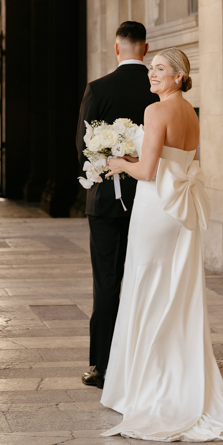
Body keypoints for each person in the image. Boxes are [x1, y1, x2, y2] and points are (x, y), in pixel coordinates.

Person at [101, 48, 223, 442]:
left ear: (178, 76)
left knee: (146, 288)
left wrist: (120, 164)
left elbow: (149, 170)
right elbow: (176, 160)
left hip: (157, 207)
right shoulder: (189, 111)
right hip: (180, 213)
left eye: (159, 69)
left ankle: (144, 386)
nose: (152, 75)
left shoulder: (155, 112)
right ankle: (173, 379)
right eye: (151, 69)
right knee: (174, 292)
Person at [75, 21, 159, 390]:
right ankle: (148, 362)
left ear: (117, 48)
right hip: (153, 199)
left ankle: (103, 367)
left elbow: (83, 149)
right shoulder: (160, 90)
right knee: (150, 280)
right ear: (145, 48)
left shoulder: (98, 89)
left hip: (107, 202)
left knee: (107, 283)